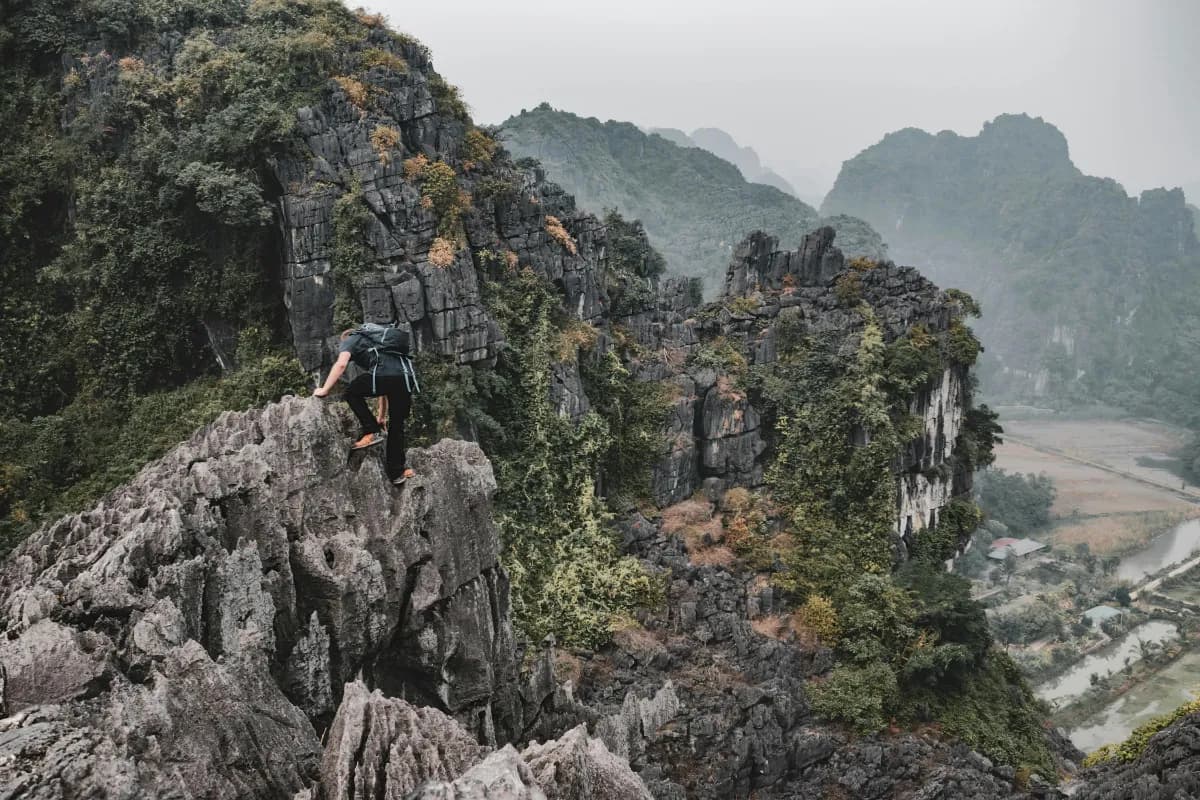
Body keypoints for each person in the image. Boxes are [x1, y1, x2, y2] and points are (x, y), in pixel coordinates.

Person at [314, 325, 416, 485]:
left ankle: (370, 430)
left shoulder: (350, 339)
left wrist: (325, 389)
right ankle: (397, 473)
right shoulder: (380, 346)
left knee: (351, 392)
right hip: (406, 378)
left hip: (385, 377)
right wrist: (381, 417)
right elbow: (386, 388)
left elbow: (341, 364)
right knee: (397, 424)